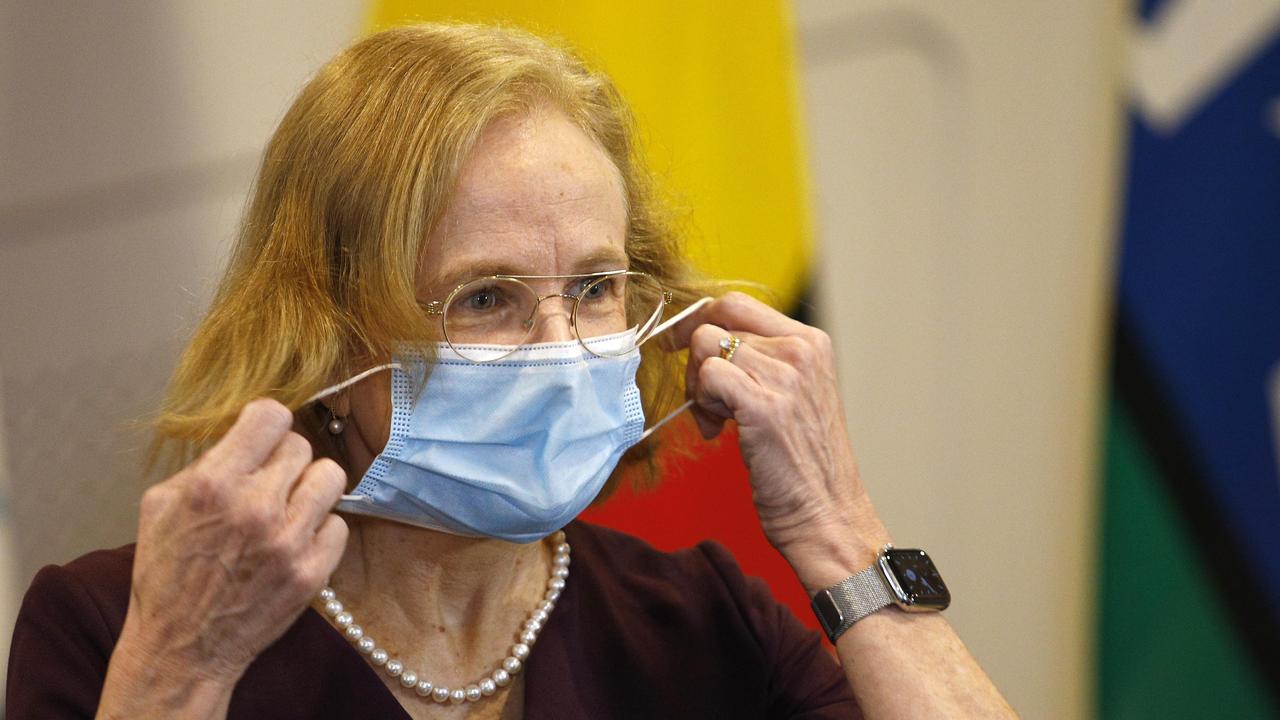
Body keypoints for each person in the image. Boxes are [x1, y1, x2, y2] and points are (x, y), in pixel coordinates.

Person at [6, 23, 1016, 719]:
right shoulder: (128, 623)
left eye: (593, 288)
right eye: (484, 297)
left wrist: (839, 531)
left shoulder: (703, 624)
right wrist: (181, 673)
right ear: (327, 333)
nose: (559, 348)